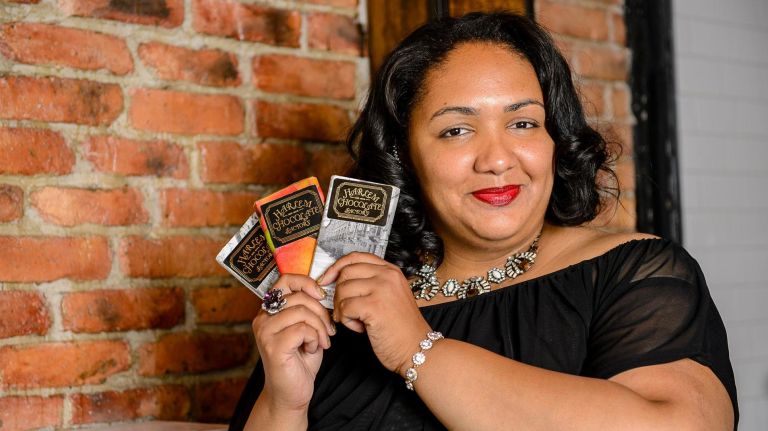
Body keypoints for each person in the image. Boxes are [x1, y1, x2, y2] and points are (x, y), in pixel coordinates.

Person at [229, 12, 738, 430]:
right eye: (456, 130)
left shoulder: (636, 273)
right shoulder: (342, 300)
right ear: (405, 157)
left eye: (522, 123)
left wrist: (416, 347)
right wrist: (284, 404)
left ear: (554, 140)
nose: (496, 158)